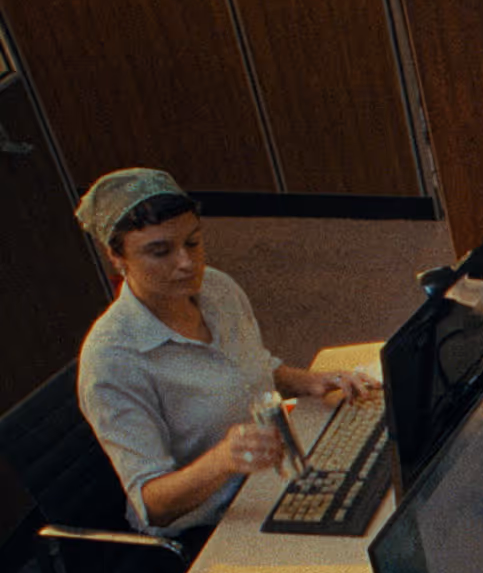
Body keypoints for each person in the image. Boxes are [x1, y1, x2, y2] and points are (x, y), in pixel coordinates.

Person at [74, 167, 377, 533]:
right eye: (160, 252)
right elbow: (151, 504)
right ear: (116, 257)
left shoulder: (216, 287)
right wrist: (223, 460)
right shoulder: (111, 360)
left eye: (193, 242)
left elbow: (248, 367)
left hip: (264, 482)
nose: (186, 263)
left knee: (378, 492)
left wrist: (306, 381)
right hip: (207, 524)